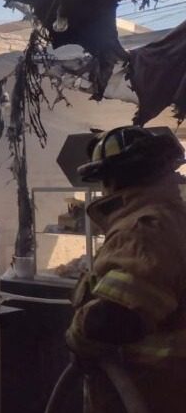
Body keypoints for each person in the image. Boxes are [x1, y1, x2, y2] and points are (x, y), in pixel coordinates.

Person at [65, 126, 186, 413]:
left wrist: (77, 337)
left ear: (113, 179)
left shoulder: (142, 229)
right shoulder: (173, 221)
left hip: (151, 392)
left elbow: (115, 317)